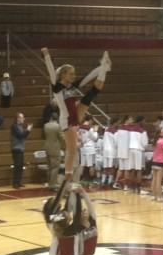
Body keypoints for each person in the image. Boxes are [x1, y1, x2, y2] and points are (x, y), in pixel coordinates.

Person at [42, 47, 112, 183]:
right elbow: (51, 72)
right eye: (71, 74)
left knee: (94, 91)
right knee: (72, 150)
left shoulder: (72, 86)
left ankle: (105, 66)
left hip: (75, 116)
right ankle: (67, 175)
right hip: (67, 120)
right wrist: (46, 56)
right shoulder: (57, 88)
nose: (73, 76)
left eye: (74, 74)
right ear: (63, 75)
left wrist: (103, 67)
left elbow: (89, 77)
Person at [11, 113, 32, 189]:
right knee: (17, 166)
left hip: (21, 148)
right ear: (18, 119)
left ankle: (19, 182)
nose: (24, 119)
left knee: (20, 166)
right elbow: (20, 136)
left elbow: (24, 136)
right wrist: (28, 130)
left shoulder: (20, 126)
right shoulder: (14, 126)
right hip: (16, 149)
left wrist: (27, 131)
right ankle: (15, 183)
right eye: (22, 118)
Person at [44, 115, 63, 191]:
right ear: (57, 119)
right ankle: (53, 185)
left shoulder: (45, 125)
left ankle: (49, 183)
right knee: (55, 167)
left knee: (49, 167)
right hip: (55, 148)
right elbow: (61, 137)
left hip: (47, 147)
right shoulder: (57, 126)